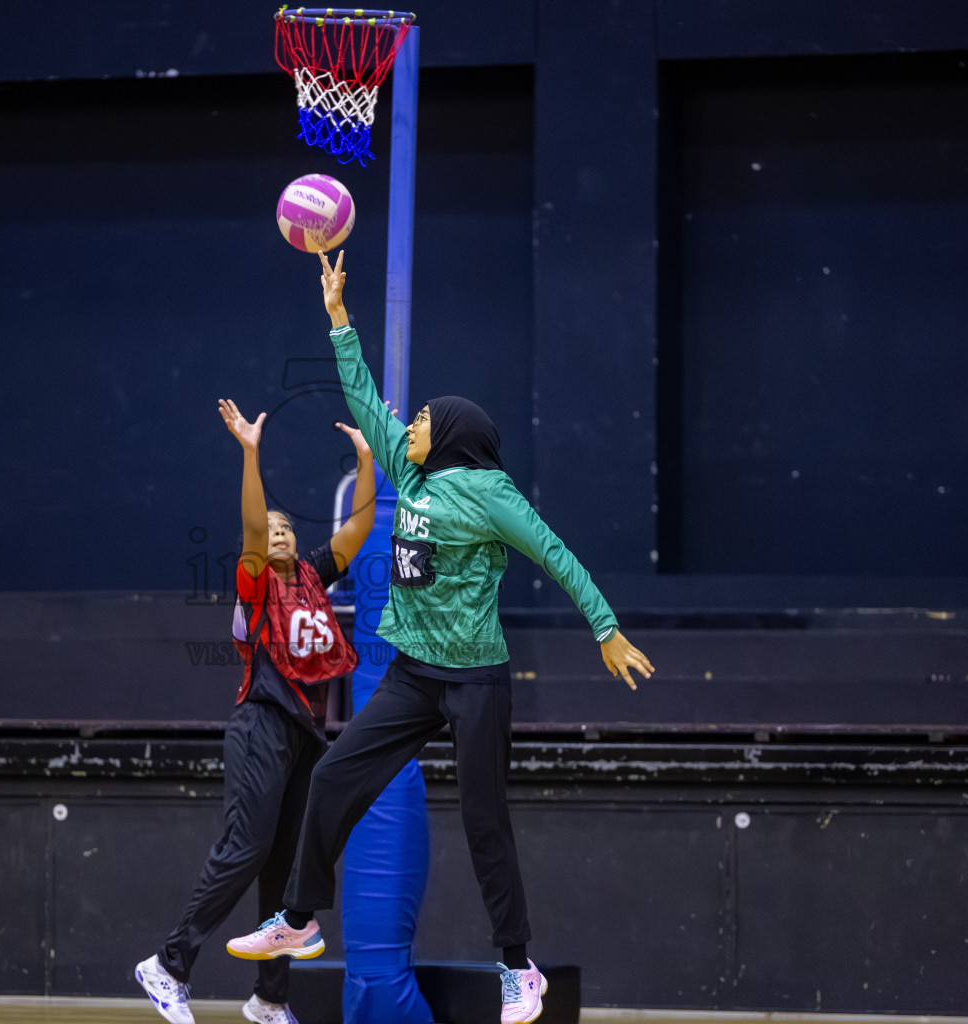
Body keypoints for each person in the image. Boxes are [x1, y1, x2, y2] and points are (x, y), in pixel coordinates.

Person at [226, 251, 656, 1024]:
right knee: (332, 779)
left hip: (477, 679)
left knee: (485, 821)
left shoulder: (491, 497)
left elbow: (556, 552)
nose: (409, 423)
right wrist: (338, 318)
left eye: (422, 418)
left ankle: (519, 970)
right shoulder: (409, 471)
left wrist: (607, 629)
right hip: (415, 676)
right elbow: (361, 393)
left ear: (453, 434)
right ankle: (298, 920)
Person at [135, 400, 377, 1024]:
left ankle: (269, 999)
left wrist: (369, 461)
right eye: (268, 528)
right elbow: (250, 526)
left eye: (285, 528)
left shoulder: (314, 577)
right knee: (245, 848)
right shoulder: (255, 581)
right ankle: (168, 964)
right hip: (260, 725)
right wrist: (250, 452)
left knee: (286, 874)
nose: (276, 532)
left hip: (305, 737)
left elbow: (357, 531)